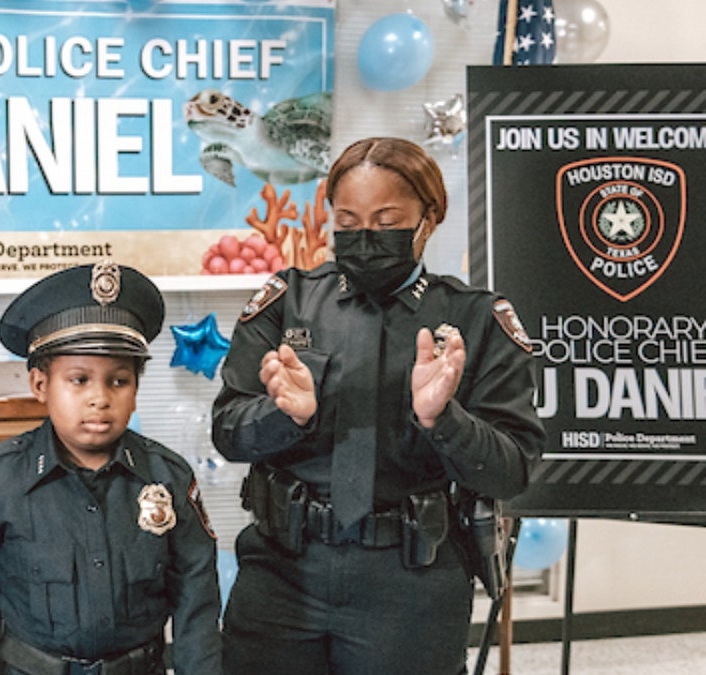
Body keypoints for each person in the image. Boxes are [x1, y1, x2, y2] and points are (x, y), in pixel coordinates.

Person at [211, 137, 546, 674]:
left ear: (427, 218)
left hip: (410, 581)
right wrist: (286, 415)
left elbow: (512, 469)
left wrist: (445, 419)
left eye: (385, 218)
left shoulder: (477, 319)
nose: (364, 236)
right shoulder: (287, 300)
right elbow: (228, 431)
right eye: (347, 221)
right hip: (283, 573)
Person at [0, 261, 223, 675]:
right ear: (40, 385)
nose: (99, 398)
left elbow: (197, 606)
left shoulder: (168, 478)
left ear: (136, 388)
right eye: (79, 380)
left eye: (118, 381)